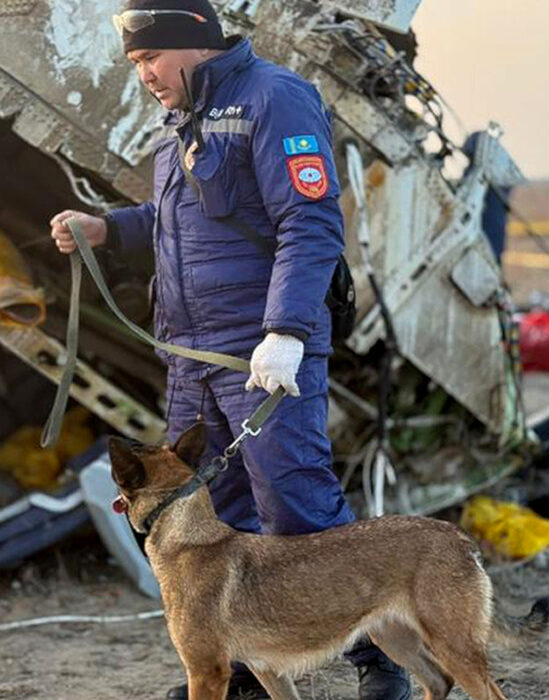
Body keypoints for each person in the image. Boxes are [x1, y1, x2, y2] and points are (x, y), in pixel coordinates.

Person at [50, 2, 410, 698]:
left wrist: (286, 333)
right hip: (192, 357)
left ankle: (381, 665)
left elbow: (309, 220)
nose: (145, 75)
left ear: (192, 44)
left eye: (150, 59)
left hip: (258, 351)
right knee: (216, 516)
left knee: (297, 506)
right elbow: (176, 223)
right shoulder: (179, 120)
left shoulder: (275, 99)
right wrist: (108, 230)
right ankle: (236, 669)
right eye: (135, 63)